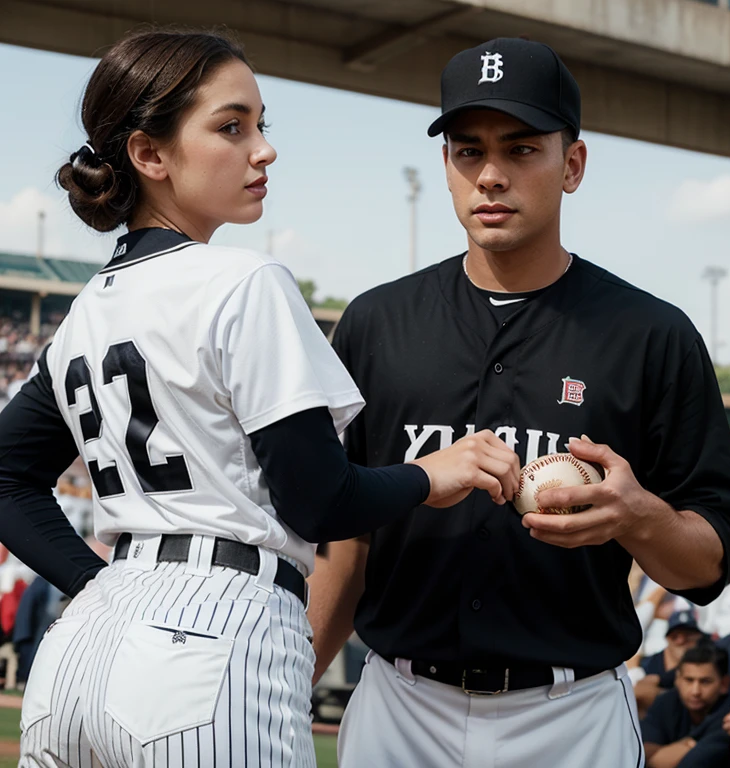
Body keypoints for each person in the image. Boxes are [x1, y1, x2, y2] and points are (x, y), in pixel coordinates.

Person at [0, 29, 519, 768]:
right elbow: (320, 503)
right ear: (149, 156)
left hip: (84, 643)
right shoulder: (243, 281)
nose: (262, 149)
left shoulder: (89, 305)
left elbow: (7, 476)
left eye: (259, 124)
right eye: (230, 127)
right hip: (216, 629)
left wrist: (98, 583)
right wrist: (432, 475)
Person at [308, 37, 730, 768]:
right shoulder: (376, 322)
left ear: (571, 165)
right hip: (401, 706)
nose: (489, 176)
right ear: (446, 164)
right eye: (467, 150)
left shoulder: (651, 333)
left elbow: (712, 563)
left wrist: (639, 517)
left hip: (570, 716)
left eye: (521, 150)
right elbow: (343, 536)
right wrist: (292, 682)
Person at [642, 643, 730, 768]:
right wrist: (686, 746)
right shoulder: (665, 701)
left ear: (724, 684)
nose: (695, 691)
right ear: (677, 679)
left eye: (705, 682)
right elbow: (644, 755)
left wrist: (667, 752)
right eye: (689, 680)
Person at [635, 609, 704, 716]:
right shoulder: (648, 663)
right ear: (667, 638)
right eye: (675, 636)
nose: (681, 641)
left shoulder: (707, 658)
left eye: (688, 635)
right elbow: (638, 691)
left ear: (699, 637)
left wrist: (659, 682)